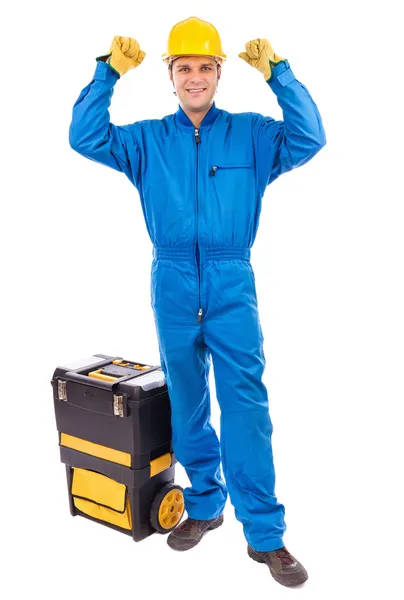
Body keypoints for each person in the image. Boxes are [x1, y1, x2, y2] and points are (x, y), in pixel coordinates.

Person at [69, 16, 326, 588]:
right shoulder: (146, 140)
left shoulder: (254, 136)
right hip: (173, 280)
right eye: (183, 67)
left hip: (232, 279)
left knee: (245, 407)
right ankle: (205, 505)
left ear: (219, 73)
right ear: (170, 74)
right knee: (185, 400)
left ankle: (265, 534)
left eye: (204, 67)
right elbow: (85, 137)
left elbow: (309, 137)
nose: (194, 77)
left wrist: (280, 76)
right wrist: (106, 74)